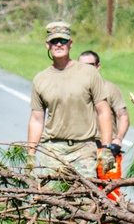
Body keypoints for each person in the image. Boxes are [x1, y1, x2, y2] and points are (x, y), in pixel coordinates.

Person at [27, 21, 114, 177]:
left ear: (70, 44)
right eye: (54, 41)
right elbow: (36, 120)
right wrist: (31, 155)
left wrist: (107, 148)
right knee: (52, 198)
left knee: (85, 199)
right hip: (52, 150)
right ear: (47, 44)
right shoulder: (40, 79)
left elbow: (104, 111)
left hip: (84, 149)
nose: (59, 44)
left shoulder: (89, 73)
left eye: (63, 40)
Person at [79, 50, 128, 198]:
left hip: (107, 149)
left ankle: (110, 222)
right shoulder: (75, 90)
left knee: (111, 193)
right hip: (82, 149)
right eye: (82, 66)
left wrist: (118, 139)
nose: (86, 70)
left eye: (90, 65)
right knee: (82, 192)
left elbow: (123, 117)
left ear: (98, 66)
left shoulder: (110, 89)